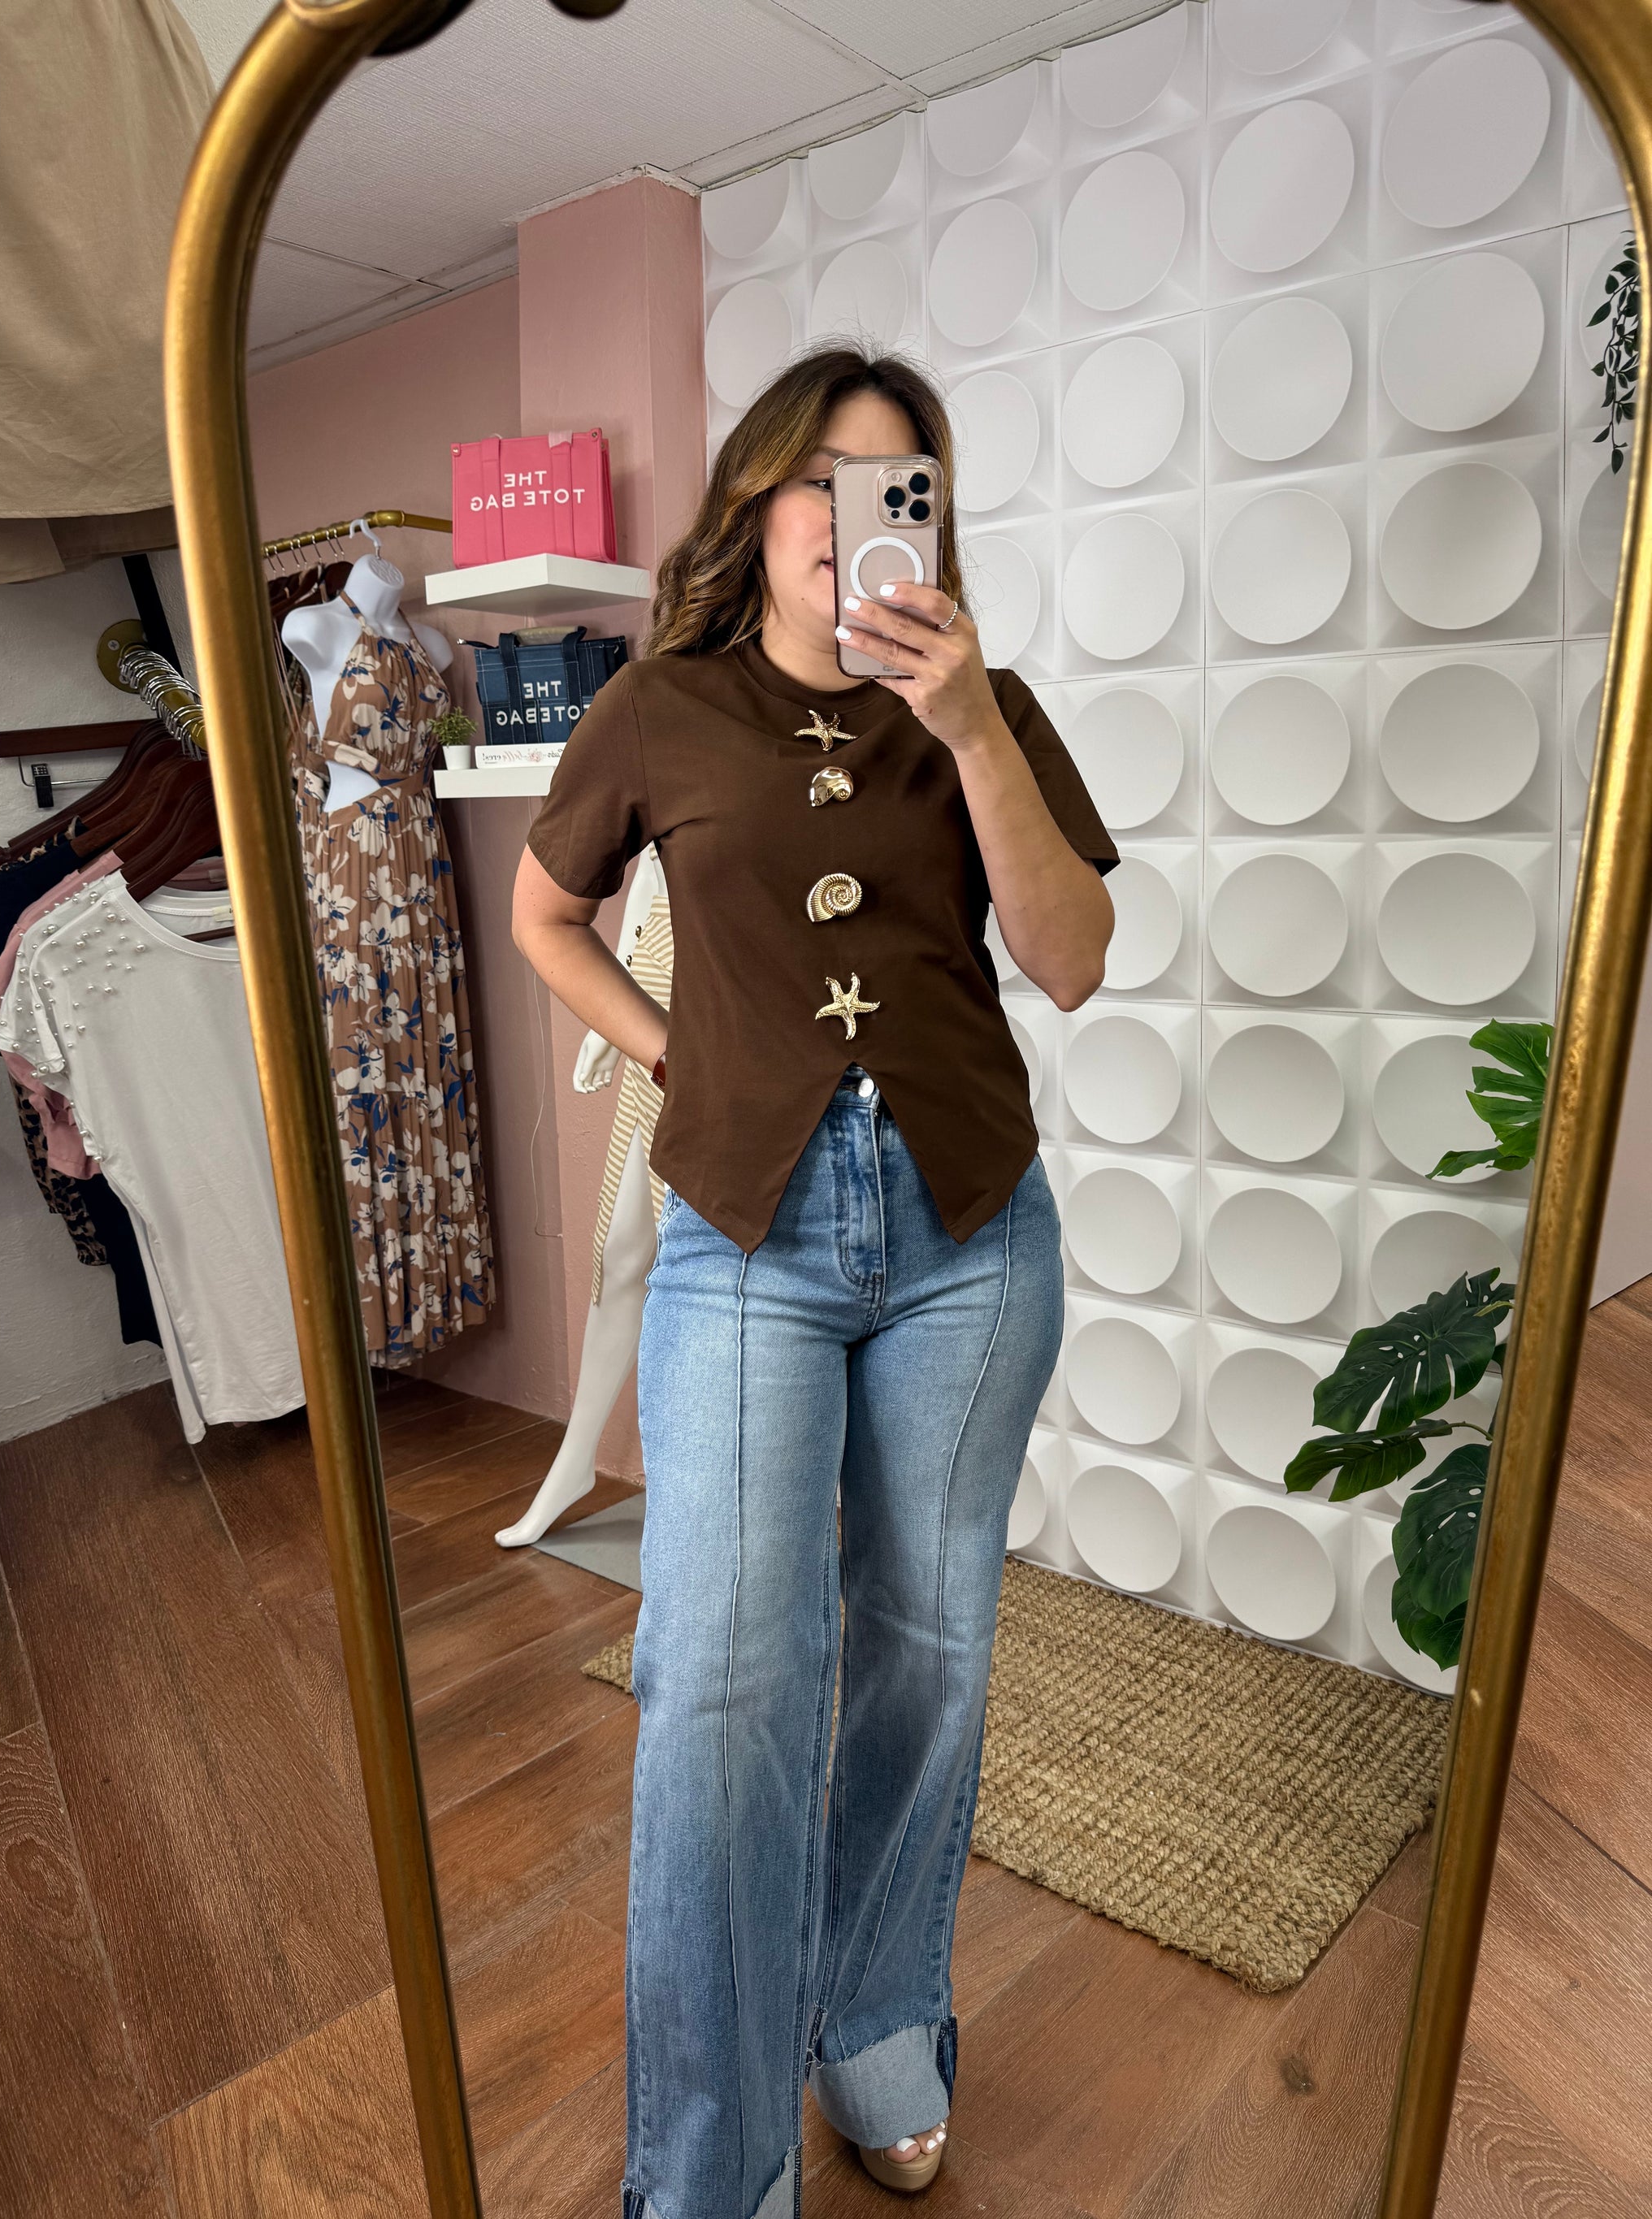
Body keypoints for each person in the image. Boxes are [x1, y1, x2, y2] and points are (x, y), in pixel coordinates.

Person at [512, 344, 1118, 2218]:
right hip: (747, 1237)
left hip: (968, 1239)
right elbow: (546, 912)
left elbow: (1073, 958)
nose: (858, 523)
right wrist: (675, 1050)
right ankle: (712, 2174)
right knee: (720, 1684)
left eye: (898, 488)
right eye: (824, 484)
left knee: (927, 1657)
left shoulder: (987, 707)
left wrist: (974, 733)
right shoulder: (657, 709)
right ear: (757, 504)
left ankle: (874, 2023)